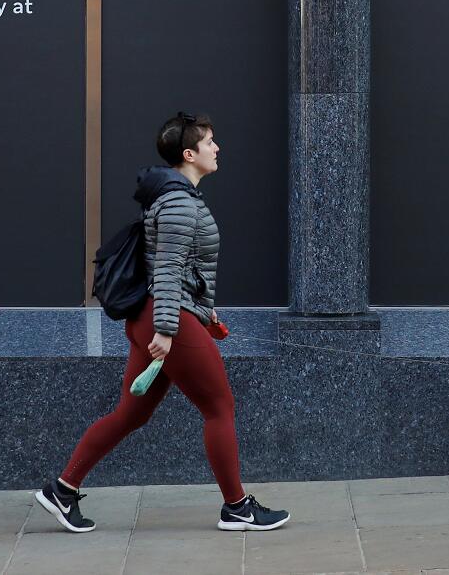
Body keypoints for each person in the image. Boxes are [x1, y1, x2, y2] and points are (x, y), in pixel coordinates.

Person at [36, 112, 290, 532]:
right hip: (164, 319)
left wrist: (203, 310)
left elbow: (180, 267)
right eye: (210, 142)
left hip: (156, 316)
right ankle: (237, 507)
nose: (217, 147)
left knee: (131, 415)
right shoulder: (177, 203)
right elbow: (168, 269)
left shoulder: (174, 198)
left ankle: (62, 491)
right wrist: (169, 330)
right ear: (189, 154)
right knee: (219, 408)